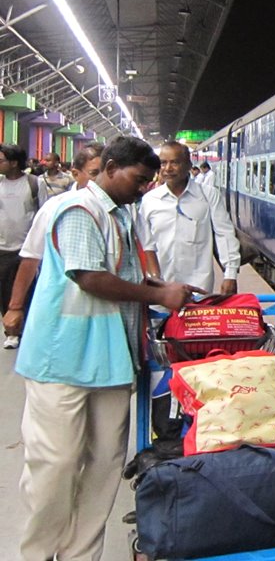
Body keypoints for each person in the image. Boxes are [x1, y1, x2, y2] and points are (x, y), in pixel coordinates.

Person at [14, 135, 199, 561]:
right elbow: (90, 277)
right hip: (62, 359)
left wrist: (166, 288)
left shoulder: (122, 215)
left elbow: (125, 270)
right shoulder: (79, 209)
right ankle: (38, 555)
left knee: (103, 469)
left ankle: (81, 556)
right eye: (138, 179)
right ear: (111, 167)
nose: (144, 188)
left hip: (111, 362)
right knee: (55, 467)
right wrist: (158, 297)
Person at [2, 143, 104, 346]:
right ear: (76, 173)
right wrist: (15, 307)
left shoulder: (119, 208)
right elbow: (31, 256)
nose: (100, 180)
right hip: (60, 305)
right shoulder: (56, 206)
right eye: (94, 173)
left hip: (102, 310)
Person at [138, 141, 240, 294]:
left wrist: (230, 274)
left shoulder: (208, 195)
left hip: (198, 287)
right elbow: (146, 244)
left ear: (188, 164)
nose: (168, 169)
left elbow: (223, 233)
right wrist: (153, 279)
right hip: (160, 289)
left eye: (175, 163)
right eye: (163, 163)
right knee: (160, 318)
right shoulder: (150, 200)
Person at [0, 143, 43, 349]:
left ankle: (25, 329)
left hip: (28, 248)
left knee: (27, 289)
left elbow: (43, 212)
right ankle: (11, 330)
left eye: (1, 160)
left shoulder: (34, 183)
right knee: (4, 290)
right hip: (2, 248)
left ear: (14, 163)